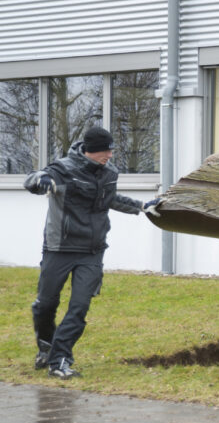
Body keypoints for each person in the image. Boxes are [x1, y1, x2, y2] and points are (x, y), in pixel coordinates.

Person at [23, 127, 163, 379]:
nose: (110, 155)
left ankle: (59, 360)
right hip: (59, 247)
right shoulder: (63, 169)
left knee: (79, 307)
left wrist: (142, 206)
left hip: (92, 250)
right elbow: (36, 177)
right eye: (106, 150)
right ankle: (46, 346)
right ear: (91, 150)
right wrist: (39, 182)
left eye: (111, 150)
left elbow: (108, 199)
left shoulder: (109, 173)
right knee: (46, 305)